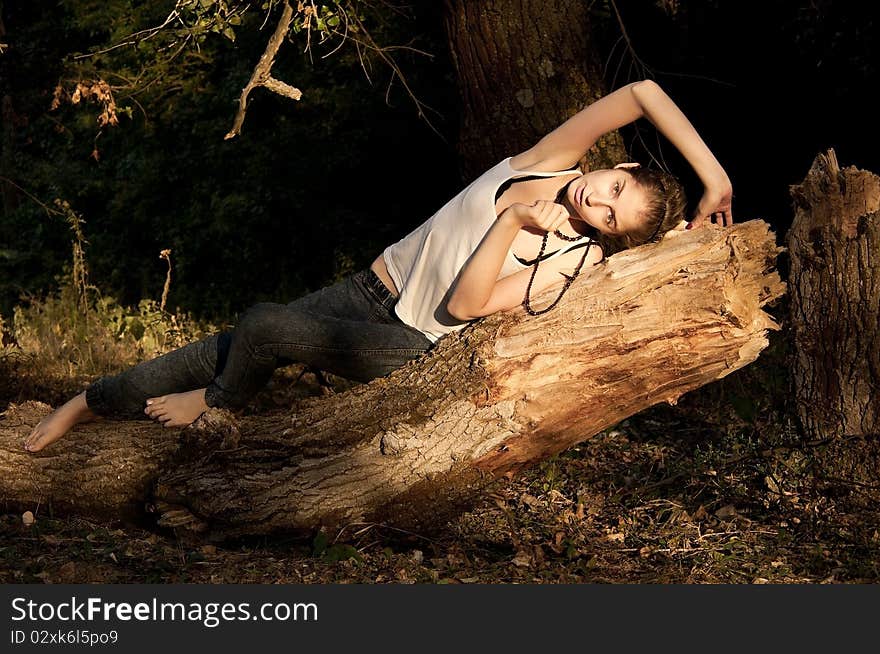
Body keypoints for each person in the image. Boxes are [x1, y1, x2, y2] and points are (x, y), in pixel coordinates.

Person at [23, 79, 732, 453]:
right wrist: (714, 177)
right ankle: (89, 402)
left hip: (410, 345)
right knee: (230, 341)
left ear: (609, 237)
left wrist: (513, 223)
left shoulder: (567, 258)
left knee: (265, 326)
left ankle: (218, 406)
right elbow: (639, 93)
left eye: (612, 217)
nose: (596, 202)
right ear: (619, 165)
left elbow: (464, 309)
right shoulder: (550, 163)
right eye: (613, 189)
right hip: (368, 288)